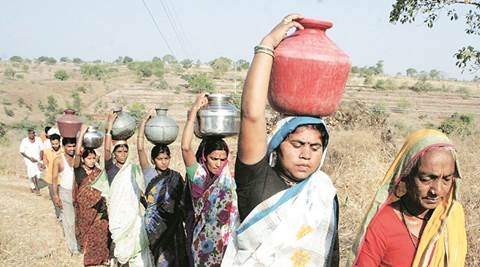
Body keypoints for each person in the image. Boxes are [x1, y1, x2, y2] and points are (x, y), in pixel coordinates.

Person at [222, 14, 339, 266]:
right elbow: (251, 115)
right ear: (276, 145)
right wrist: (267, 45)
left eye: (315, 147)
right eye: (297, 145)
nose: (306, 154)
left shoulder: (322, 193)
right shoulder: (257, 181)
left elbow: (329, 256)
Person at [349, 129, 467, 266]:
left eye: (446, 179)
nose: (437, 190)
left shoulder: (450, 219)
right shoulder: (382, 225)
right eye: (426, 179)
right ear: (407, 176)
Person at [181, 93, 238, 266]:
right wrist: (193, 114)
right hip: (204, 246)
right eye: (214, 159)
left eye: (222, 159)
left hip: (229, 245)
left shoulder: (229, 178)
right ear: (205, 157)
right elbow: (185, 147)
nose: (218, 164)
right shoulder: (199, 176)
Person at [92, 111, 153, 267]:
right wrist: (109, 128)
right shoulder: (111, 169)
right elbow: (105, 151)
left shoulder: (132, 169)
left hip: (133, 215)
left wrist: (147, 206)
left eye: (125, 151)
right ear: (114, 154)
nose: (123, 154)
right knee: (121, 247)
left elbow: (138, 192)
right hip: (119, 215)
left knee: (138, 247)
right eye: (119, 151)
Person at [137, 109, 188, 266]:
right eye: (160, 159)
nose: (164, 162)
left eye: (166, 158)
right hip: (155, 226)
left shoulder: (176, 177)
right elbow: (140, 149)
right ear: (153, 160)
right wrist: (144, 122)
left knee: (175, 258)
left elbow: (182, 201)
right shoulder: (149, 174)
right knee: (158, 258)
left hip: (173, 224)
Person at [73, 125, 110, 266]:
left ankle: (102, 258)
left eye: (94, 158)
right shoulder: (78, 170)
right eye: (89, 158)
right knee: (86, 233)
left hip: (99, 208)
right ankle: (89, 260)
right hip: (85, 209)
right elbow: (77, 154)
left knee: (100, 230)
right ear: (83, 160)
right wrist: (82, 134)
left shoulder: (98, 172)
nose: (92, 161)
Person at [52, 137, 80, 254]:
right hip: (65, 192)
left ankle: (79, 243)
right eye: (69, 146)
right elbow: (54, 178)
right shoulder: (59, 160)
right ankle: (73, 247)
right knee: (69, 221)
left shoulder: (78, 158)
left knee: (78, 220)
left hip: (78, 193)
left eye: (74, 146)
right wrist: (55, 195)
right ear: (64, 147)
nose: (72, 148)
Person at [42, 133, 63, 220]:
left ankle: (65, 213)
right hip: (51, 179)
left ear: (60, 142)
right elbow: (45, 162)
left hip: (62, 179)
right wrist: (43, 166)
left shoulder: (64, 151)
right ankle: (59, 215)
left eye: (56, 144)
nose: (55, 146)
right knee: (54, 197)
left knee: (63, 198)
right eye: (53, 144)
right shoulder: (47, 152)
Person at [19, 128, 45, 195]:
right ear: (28, 134)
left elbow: (42, 149)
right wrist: (29, 158)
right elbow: (21, 151)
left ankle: (32, 186)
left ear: (34, 133)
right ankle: (37, 189)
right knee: (33, 173)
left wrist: (41, 160)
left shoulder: (38, 139)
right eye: (30, 133)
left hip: (37, 159)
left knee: (38, 174)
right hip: (29, 160)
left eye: (33, 133)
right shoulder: (24, 140)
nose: (31, 135)